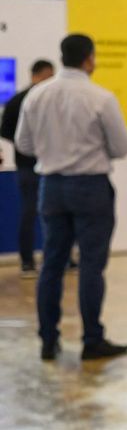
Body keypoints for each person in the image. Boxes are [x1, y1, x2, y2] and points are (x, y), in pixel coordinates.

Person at [15, 34, 127, 362]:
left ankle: (48, 341)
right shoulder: (101, 98)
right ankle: (92, 339)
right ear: (89, 59)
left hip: (51, 186)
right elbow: (122, 147)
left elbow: (23, 145)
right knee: (92, 266)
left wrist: (53, 149)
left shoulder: (37, 95)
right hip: (91, 187)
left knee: (51, 264)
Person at [0, 58, 55, 278]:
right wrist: (28, 144)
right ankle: (27, 261)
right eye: (48, 75)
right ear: (38, 75)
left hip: (49, 166)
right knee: (30, 213)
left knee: (55, 215)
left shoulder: (50, 100)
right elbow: (5, 131)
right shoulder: (20, 101)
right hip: (28, 167)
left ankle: (58, 258)